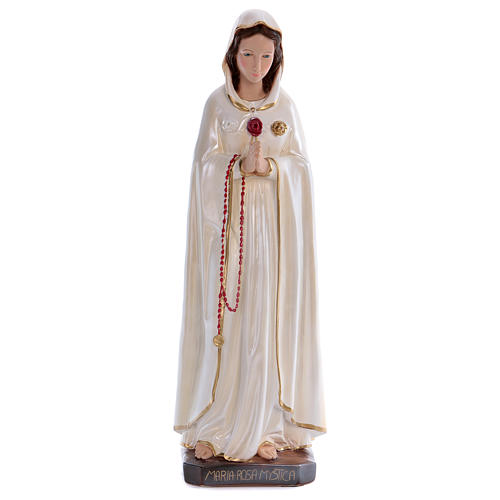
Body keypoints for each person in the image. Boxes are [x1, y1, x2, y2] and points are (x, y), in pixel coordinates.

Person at [173, 9, 327, 462]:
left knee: (265, 319)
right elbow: (202, 166)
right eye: (248, 54)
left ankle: (267, 427)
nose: (256, 65)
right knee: (226, 322)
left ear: (276, 58)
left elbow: (302, 169)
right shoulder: (217, 106)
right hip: (227, 234)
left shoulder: (285, 107)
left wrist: (273, 168)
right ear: (232, 55)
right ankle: (217, 424)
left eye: (265, 56)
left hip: (271, 234)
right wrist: (236, 166)